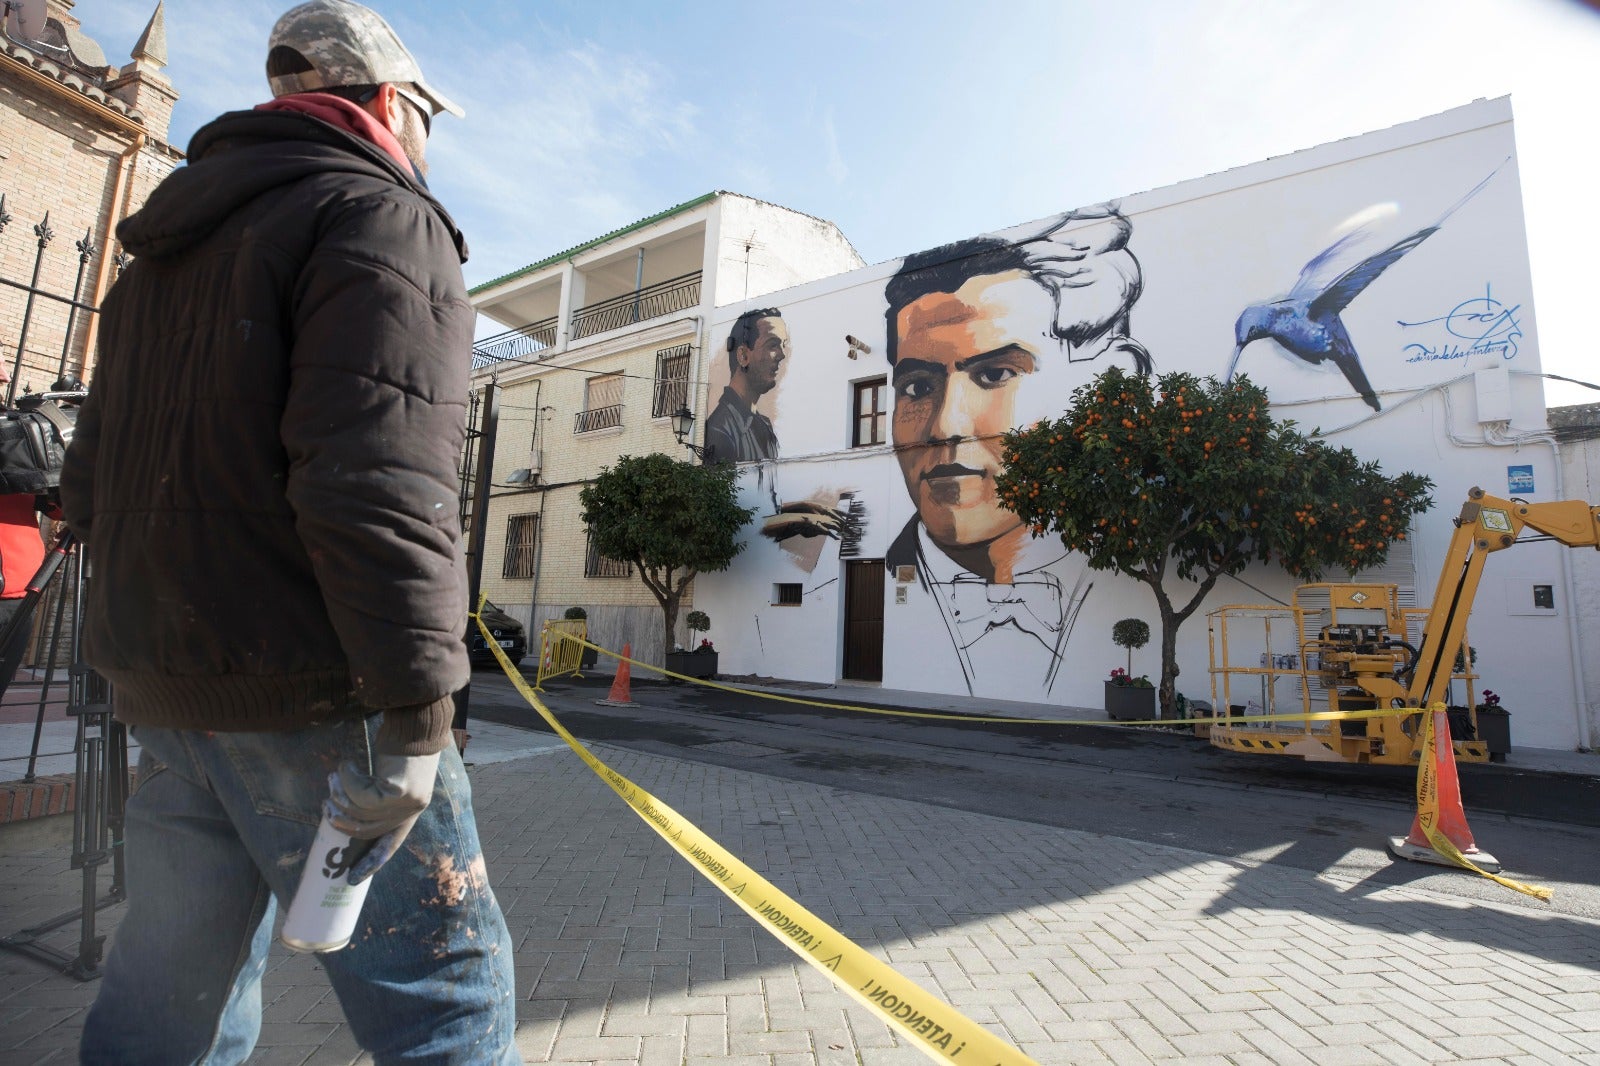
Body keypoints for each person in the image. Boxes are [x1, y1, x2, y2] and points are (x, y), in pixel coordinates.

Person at [61, 3, 518, 1062]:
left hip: (169, 694)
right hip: (324, 694)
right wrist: (416, 709)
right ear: (392, 104)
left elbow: (85, 486)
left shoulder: (156, 262)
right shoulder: (378, 215)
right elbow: (379, 480)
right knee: (444, 994)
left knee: (166, 1004)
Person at [881, 207, 1149, 694]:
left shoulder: (1140, 571)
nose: (946, 425)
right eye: (917, 386)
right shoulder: (780, 627)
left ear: (1111, 384)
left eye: (996, 375)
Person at [703, 307, 787, 464]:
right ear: (743, 355)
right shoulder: (720, 429)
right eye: (773, 345)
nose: (782, 355)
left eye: (783, 345)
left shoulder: (765, 427)